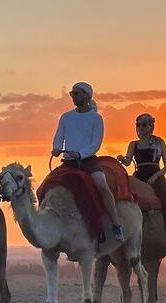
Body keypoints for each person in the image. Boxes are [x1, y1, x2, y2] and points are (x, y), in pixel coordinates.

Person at [51, 82, 123, 242]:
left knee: (102, 187)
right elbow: (58, 137)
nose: (73, 97)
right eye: (72, 94)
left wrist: (80, 154)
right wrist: (56, 148)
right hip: (68, 161)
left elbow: (95, 144)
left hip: (88, 161)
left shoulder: (96, 119)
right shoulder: (66, 117)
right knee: (47, 185)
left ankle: (116, 224)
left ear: (86, 95)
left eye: (76, 94)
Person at [117, 113, 166, 234]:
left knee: (165, 196)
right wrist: (122, 159)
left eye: (144, 125)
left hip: (155, 174)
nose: (140, 127)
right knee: (125, 196)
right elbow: (128, 162)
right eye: (138, 125)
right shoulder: (133, 144)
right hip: (139, 174)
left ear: (150, 126)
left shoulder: (159, 142)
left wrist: (156, 176)